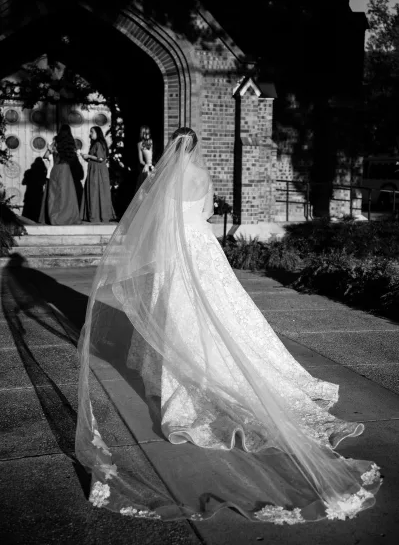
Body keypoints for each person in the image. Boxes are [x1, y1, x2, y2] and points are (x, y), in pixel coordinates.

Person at [76, 128, 381, 524]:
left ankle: (186, 368)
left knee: (179, 313)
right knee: (225, 309)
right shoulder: (203, 176)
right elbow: (204, 213)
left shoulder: (163, 177)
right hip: (203, 245)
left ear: (172, 148)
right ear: (197, 148)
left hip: (177, 249)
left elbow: (153, 220)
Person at [39, 125, 81, 225]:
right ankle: (69, 216)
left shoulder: (56, 142)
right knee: (67, 194)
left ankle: (55, 217)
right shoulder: (71, 143)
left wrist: (50, 149)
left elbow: (45, 156)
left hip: (56, 169)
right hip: (66, 170)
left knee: (55, 194)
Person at [80, 126, 115, 223]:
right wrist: (85, 156)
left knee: (96, 191)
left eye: (92, 132)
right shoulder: (95, 144)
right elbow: (94, 158)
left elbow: (100, 158)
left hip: (98, 172)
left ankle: (97, 215)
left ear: (97, 133)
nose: (90, 134)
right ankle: (94, 214)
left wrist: (89, 156)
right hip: (94, 171)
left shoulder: (99, 144)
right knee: (94, 191)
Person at [134, 125, 154, 194]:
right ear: (143, 134)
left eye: (149, 133)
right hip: (146, 168)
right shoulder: (139, 144)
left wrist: (153, 165)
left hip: (153, 167)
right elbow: (141, 160)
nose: (148, 135)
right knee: (144, 190)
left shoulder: (151, 142)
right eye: (146, 133)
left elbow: (153, 154)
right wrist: (146, 165)